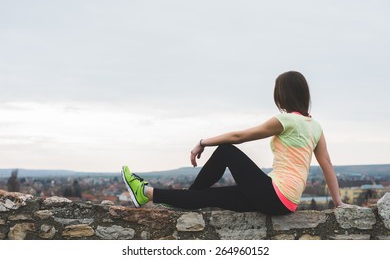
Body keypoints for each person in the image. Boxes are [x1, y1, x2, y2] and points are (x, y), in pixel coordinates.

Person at [121, 71, 346, 215]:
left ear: (283, 96)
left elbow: (239, 137)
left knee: (227, 150)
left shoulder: (286, 120)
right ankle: (147, 193)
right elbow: (327, 164)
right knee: (206, 197)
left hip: (274, 194)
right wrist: (338, 202)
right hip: (285, 202)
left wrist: (203, 142)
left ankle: (179, 196)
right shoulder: (314, 126)